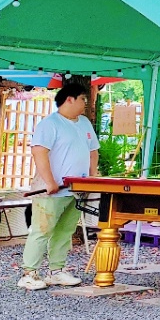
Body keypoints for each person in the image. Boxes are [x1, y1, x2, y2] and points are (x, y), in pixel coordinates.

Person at [19, 82, 100, 291]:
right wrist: (49, 181)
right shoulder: (49, 124)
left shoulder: (84, 123)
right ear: (69, 99)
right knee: (42, 230)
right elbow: (39, 152)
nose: (85, 103)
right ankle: (29, 273)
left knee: (65, 230)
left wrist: (93, 176)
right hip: (51, 189)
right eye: (82, 99)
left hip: (77, 188)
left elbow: (93, 151)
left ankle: (56, 270)